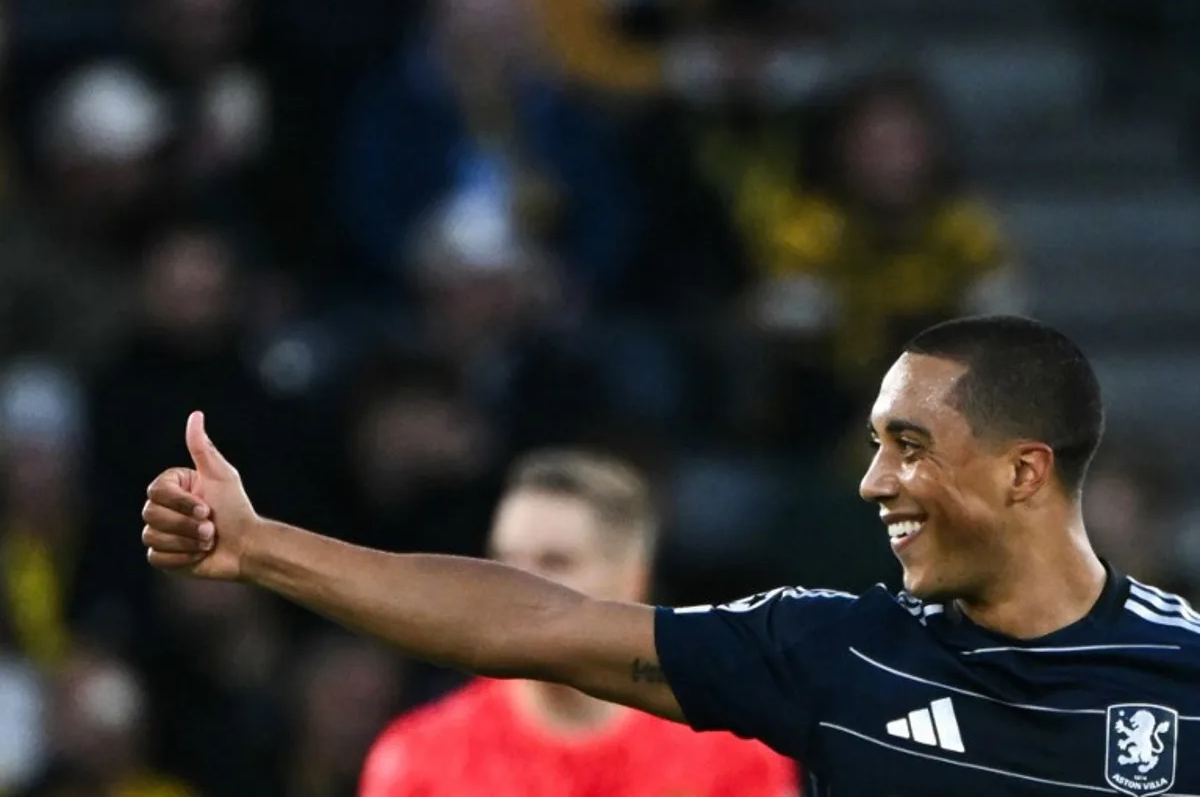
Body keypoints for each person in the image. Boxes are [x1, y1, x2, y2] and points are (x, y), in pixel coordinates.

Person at [140, 314, 1200, 795]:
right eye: (875, 446)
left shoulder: (1186, 680)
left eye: (910, 448)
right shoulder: (832, 652)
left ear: (1025, 473)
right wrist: (264, 547)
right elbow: (536, 624)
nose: (874, 482)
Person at [357, 450, 797, 795]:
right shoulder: (423, 758)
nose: (517, 587)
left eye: (556, 562)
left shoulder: (727, 748)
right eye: (505, 560)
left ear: (632, 578)